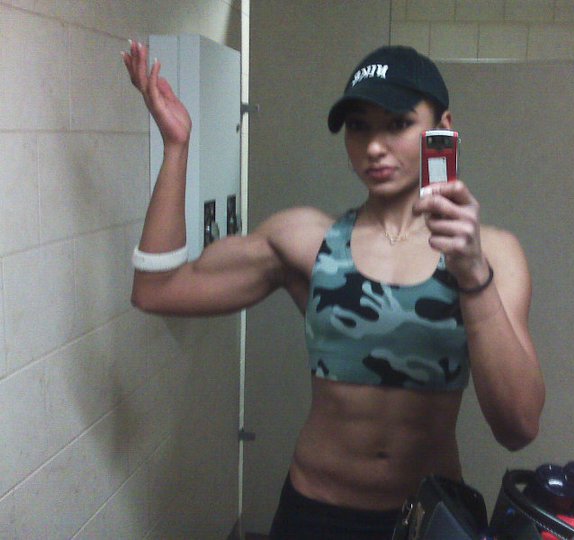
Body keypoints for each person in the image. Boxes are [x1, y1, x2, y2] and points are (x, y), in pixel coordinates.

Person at [123, 42, 545, 539]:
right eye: (359, 127)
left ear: (442, 129)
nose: (374, 147)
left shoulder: (492, 254)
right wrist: (176, 147)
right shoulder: (306, 240)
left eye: (397, 124)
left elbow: (518, 428)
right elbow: (158, 289)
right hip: (314, 515)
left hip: (426, 520)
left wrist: (472, 275)